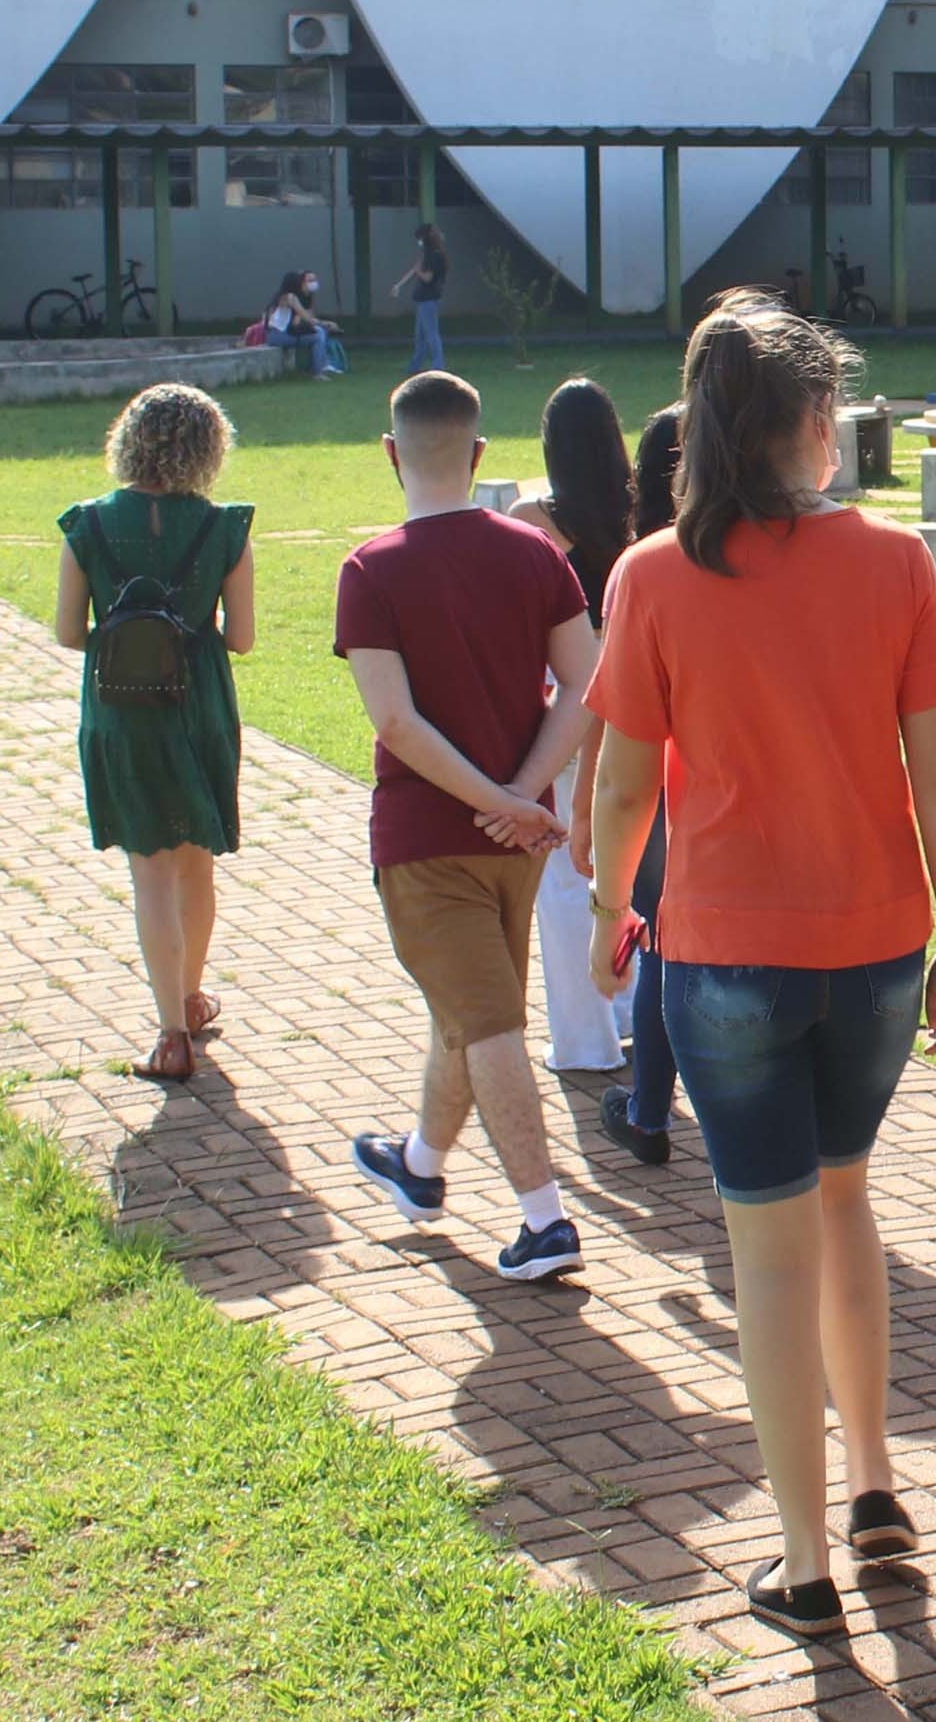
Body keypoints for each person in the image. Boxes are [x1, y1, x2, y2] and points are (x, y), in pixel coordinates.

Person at [582, 292, 936, 1638]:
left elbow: (624, 789)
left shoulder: (650, 574)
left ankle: (807, 1556)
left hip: (726, 959)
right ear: (815, 423)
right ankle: (875, 1488)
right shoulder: (892, 564)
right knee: (846, 1205)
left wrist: (600, 920)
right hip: (875, 950)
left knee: (766, 1252)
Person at [340, 370, 600, 1284]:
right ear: (480, 453)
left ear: (390, 453)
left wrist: (500, 798)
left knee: (486, 1022)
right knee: (470, 1008)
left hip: (428, 841)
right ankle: (419, 1165)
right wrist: (523, 793)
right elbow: (586, 684)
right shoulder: (537, 554)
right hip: (517, 842)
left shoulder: (370, 568)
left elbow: (397, 725)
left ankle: (545, 1222)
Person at [53, 384, 256, 1084]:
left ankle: (171, 1032)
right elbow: (245, 640)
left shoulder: (87, 525)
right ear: (208, 446)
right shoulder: (226, 527)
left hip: (121, 708)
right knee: (196, 860)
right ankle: (193, 998)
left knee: (151, 873)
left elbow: (66, 631)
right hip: (198, 705)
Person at [509, 378, 634, 1077]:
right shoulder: (642, 508)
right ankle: (622, 1009)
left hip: (568, 703)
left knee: (564, 882)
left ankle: (586, 1042)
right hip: (636, 708)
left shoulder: (534, 513)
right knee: (628, 868)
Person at [600, 403, 684, 1166]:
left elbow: (612, 721)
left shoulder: (645, 565)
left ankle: (651, 1110)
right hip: (689, 785)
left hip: (658, 786)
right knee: (666, 940)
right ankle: (653, 1106)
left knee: (660, 939)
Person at [391, 223, 449, 373]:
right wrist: (399, 285)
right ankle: (414, 366)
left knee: (431, 333)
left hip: (429, 298)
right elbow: (414, 269)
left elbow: (427, 277)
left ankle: (438, 365)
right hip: (425, 299)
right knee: (421, 336)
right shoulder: (429, 254)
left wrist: (418, 272)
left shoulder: (434, 256)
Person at [265, 270, 345, 378]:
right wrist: (326, 324)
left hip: (272, 336)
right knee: (317, 336)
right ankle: (317, 372)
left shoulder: (280, 297)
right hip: (280, 336)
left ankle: (321, 365)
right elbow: (307, 318)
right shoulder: (290, 298)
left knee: (317, 332)